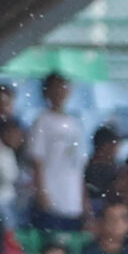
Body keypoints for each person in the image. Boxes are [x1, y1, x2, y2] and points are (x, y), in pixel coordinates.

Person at [28, 73, 88, 232]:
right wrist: (41, 191)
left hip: (72, 197)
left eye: (64, 87)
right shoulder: (42, 120)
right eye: (56, 87)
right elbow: (37, 159)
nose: (60, 91)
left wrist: (83, 198)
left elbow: (80, 164)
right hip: (52, 193)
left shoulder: (75, 123)